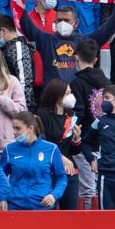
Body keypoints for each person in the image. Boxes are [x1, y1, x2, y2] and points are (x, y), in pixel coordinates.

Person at [20, 0, 115, 86]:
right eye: (59, 20)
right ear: (55, 22)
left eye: (66, 20)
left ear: (76, 23)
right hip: (51, 99)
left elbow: (107, 30)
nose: (62, 23)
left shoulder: (84, 42)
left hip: (77, 99)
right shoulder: (46, 40)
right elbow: (25, 23)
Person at [0, 112, 66, 211]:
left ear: (30, 128)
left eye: (18, 128)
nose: (14, 132)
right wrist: (2, 199)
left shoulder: (51, 149)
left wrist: (53, 195)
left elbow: (62, 178)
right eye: (13, 128)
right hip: (15, 207)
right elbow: (0, 177)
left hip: (43, 207)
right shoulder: (9, 149)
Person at [34, 79, 83, 210]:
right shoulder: (42, 115)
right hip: (48, 170)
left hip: (69, 171)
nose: (70, 96)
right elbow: (40, 143)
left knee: (71, 214)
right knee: (49, 212)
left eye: (70, 92)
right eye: (67, 93)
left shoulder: (72, 115)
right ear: (57, 95)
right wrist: (59, 157)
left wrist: (76, 140)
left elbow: (74, 150)